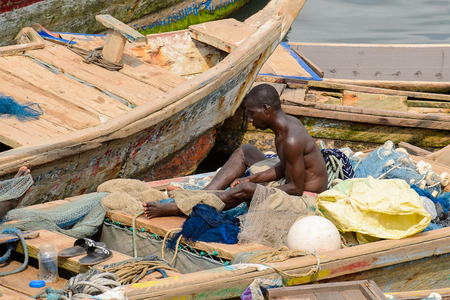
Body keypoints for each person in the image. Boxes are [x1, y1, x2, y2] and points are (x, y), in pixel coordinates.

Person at [143, 84, 328, 218]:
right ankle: (206, 194)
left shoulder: (291, 139)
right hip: (292, 184)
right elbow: (285, 166)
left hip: (305, 198)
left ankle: (183, 209)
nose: (249, 119)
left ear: (266, 109)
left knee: (246, 190)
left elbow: (295, 188)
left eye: (251, 113)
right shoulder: (288, 125)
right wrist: (252, 178)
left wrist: (251, 189)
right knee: (246, 150)